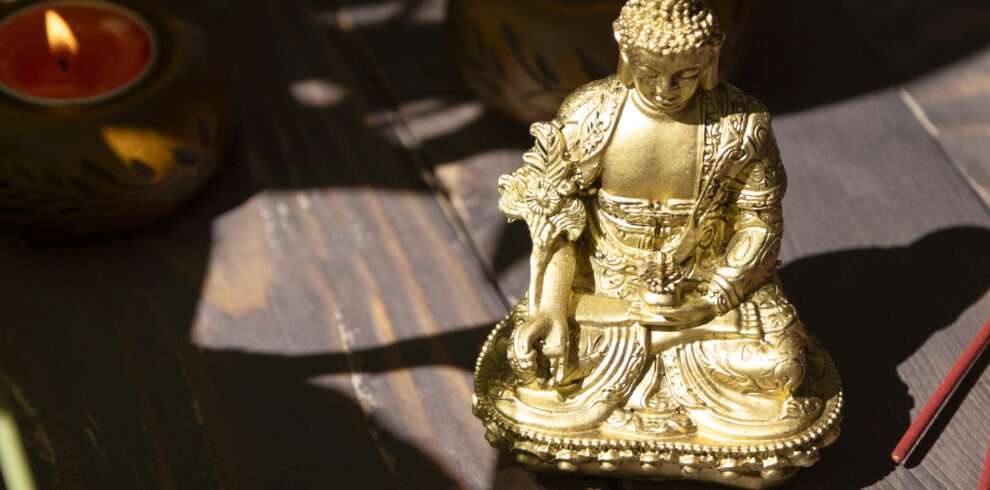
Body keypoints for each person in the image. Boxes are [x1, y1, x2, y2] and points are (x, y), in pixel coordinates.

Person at [473, 0, 841, 485]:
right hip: (606, 288)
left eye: (684, 76)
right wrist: (552, 309)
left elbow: (759, 221)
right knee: (537, 364)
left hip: (707, 294)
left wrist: (711, 298)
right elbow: (556, 219)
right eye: (650, 73)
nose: (665, 90)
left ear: (710, 58)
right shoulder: (591, 114)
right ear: (625, 53)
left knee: (782, 366)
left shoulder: (741, 125)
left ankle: (645, 379)